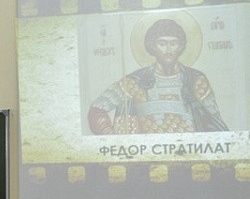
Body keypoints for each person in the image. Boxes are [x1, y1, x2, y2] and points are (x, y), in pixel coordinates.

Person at [88, 18, 228, 134]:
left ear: (180, 47)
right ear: (152, 46)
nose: (168, 50)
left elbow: (214, 122)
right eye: (162, 43)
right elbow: (96, 110)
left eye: (173, 43)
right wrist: (113, 140)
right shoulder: (134, 83)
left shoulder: (196, 81)